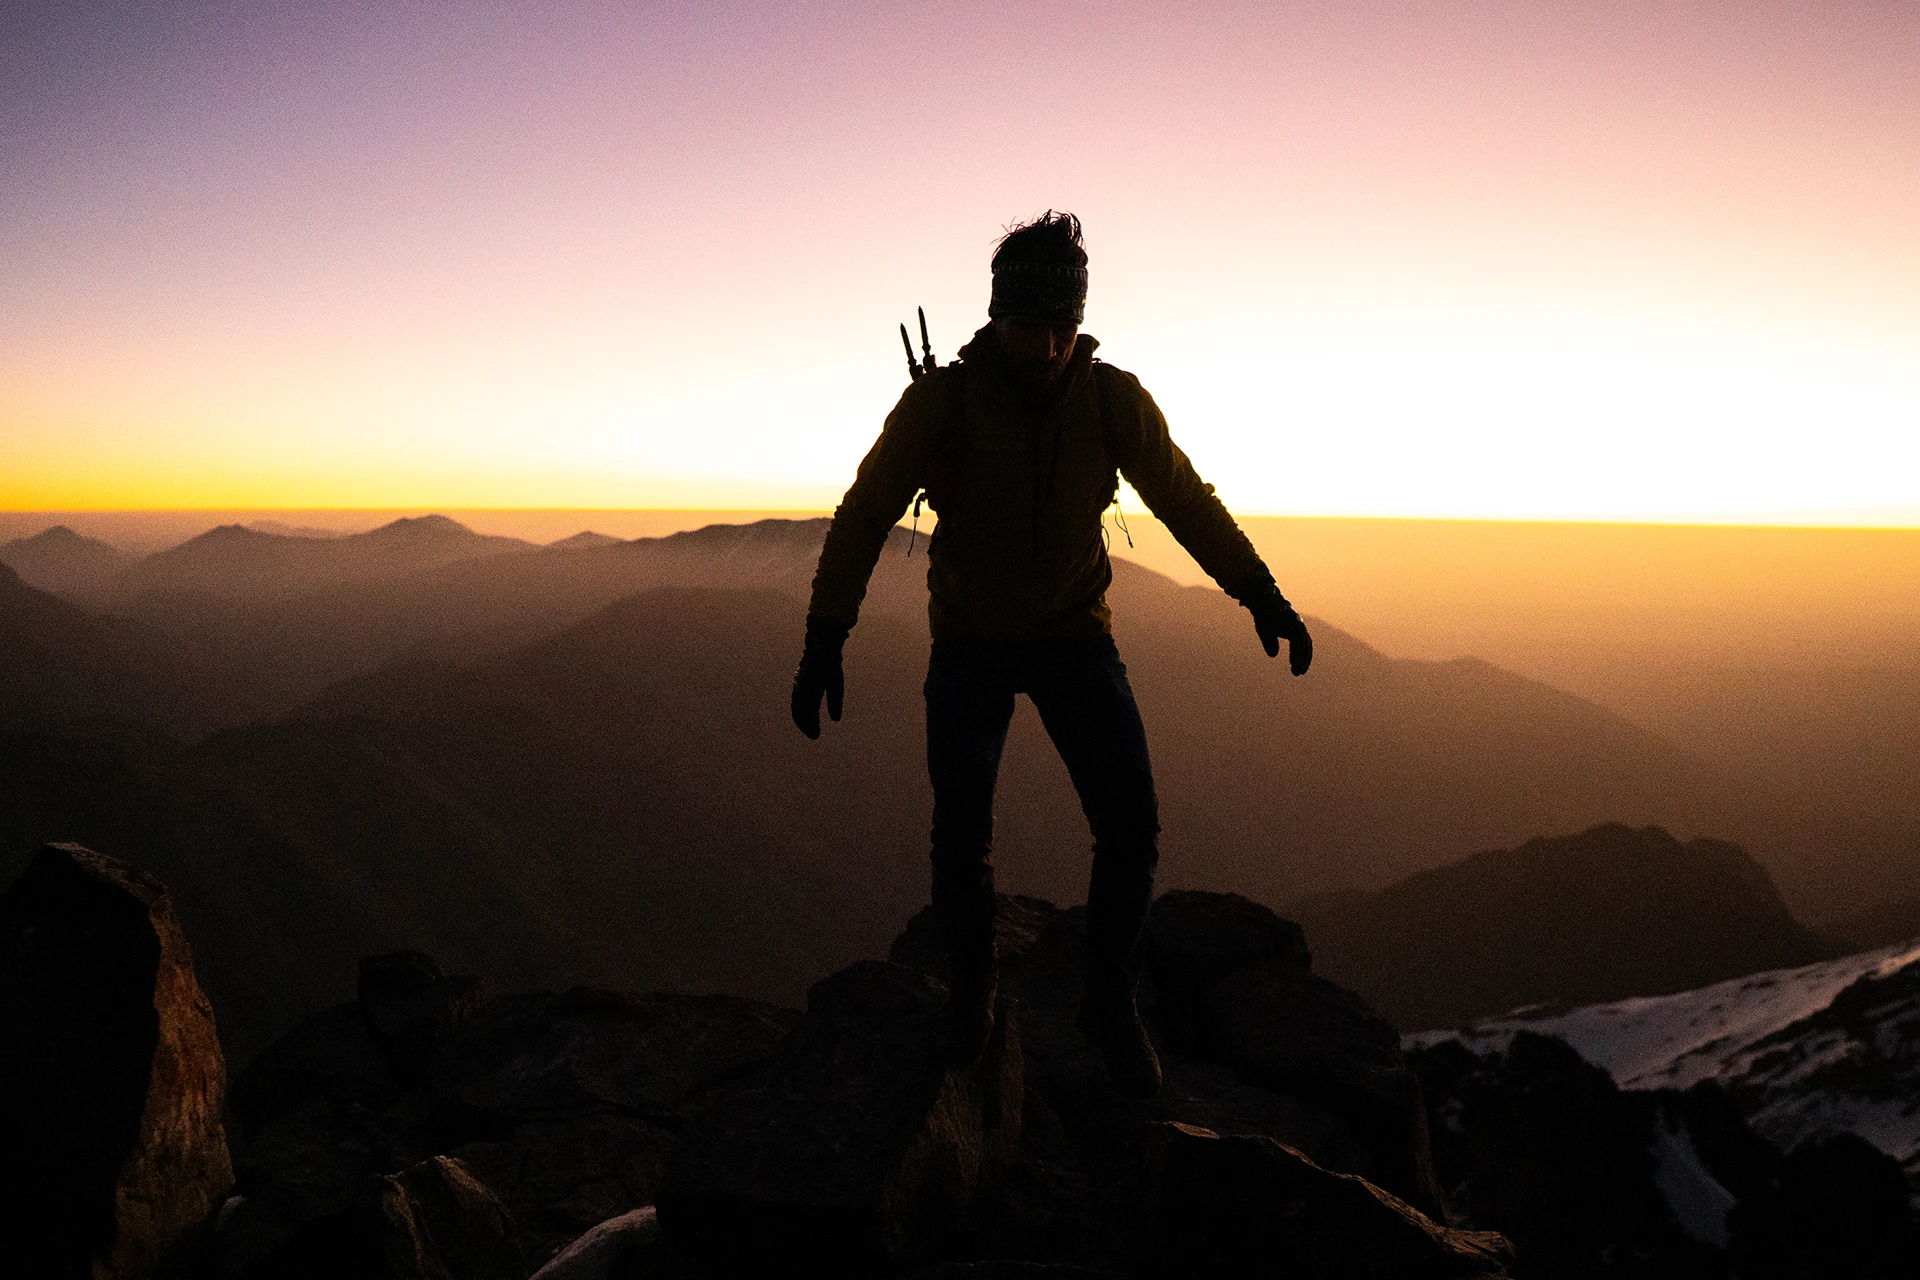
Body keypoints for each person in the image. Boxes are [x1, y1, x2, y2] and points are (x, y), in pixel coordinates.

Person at [790, 212, 1311, 1095]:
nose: (1049, 345)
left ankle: (1108, 1006)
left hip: (1075, 637)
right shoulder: (942, 405)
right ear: (996, 318)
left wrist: (1259, 591)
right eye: (1031, 325)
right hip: (972, 642)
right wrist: (824, 636)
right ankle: (974, 996)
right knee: (961, 832)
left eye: (1063, 326)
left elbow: (1185, 499)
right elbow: (863, 513)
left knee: (1130, 826)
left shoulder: (1112, 402)